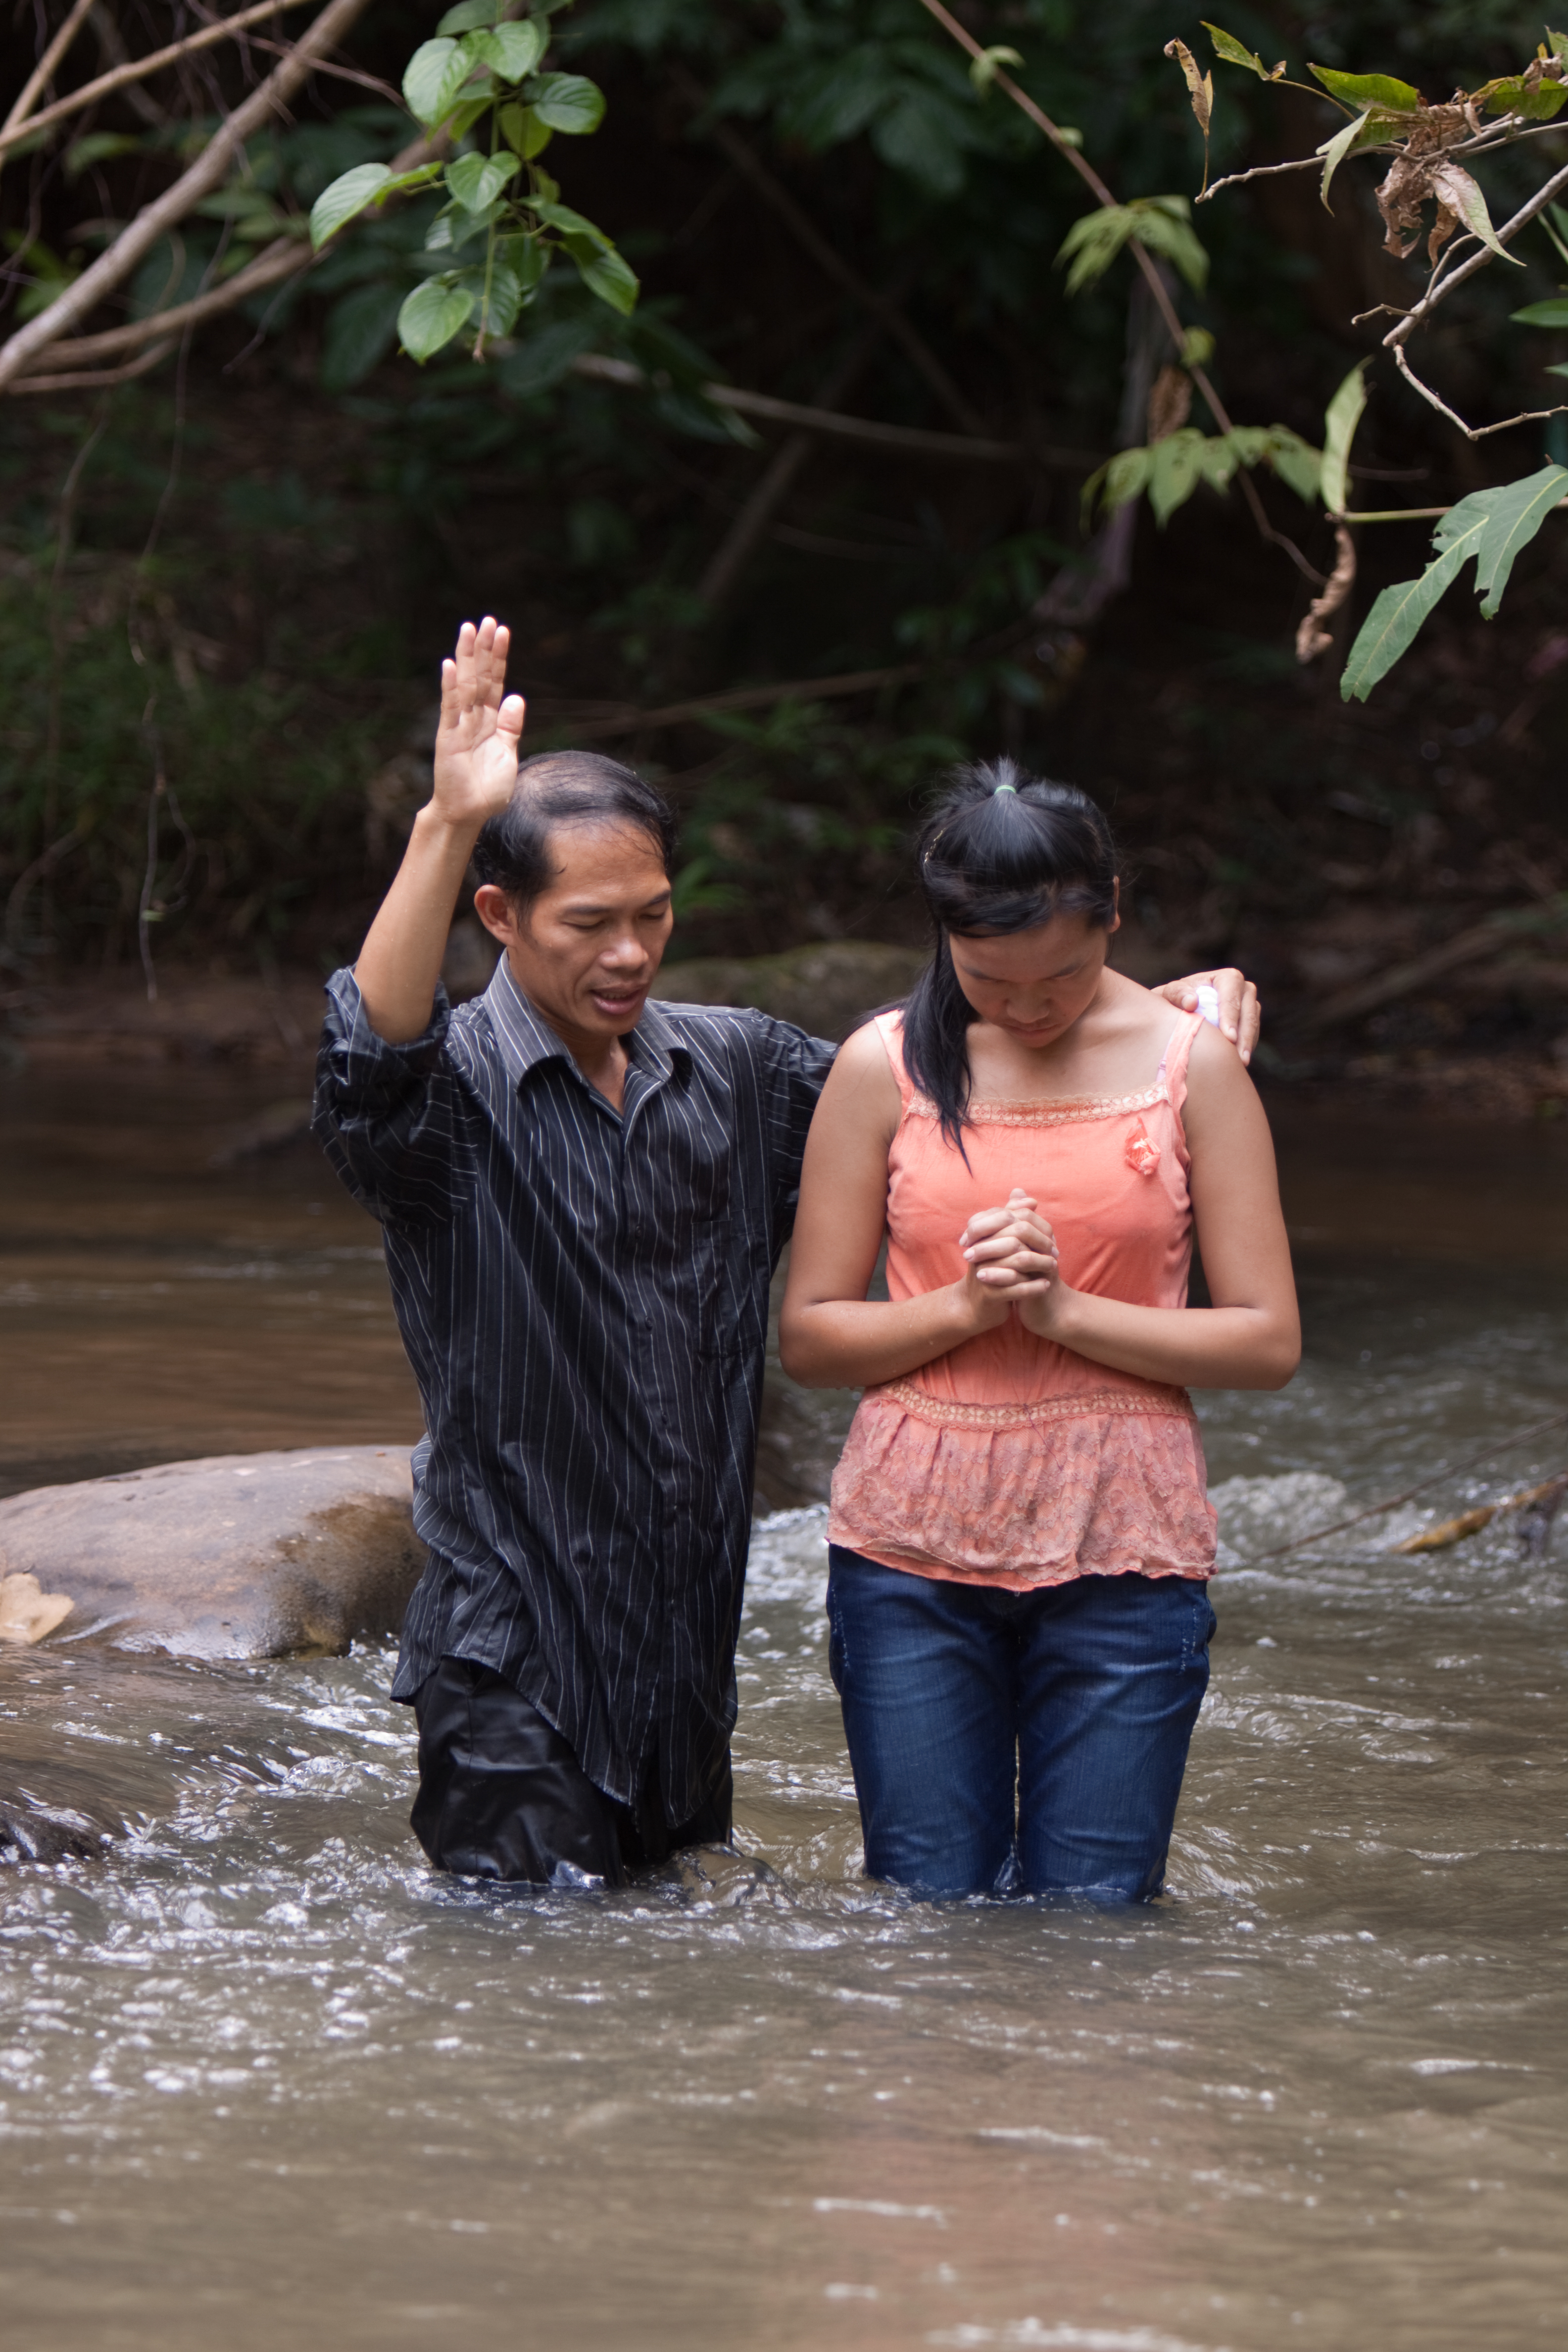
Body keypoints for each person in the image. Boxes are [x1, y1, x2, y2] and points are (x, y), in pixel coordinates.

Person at [313, 619, 1265, 1887]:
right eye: (591, 923)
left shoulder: (739, 1067)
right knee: (531, 1990)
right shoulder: (450, 1103)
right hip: (515, 1648)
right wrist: (443, 824)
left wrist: (1148, 1010)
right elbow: (368, 1068)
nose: (632, 953)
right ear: (498, 915)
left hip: (677, 1655)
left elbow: (961, 1107)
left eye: (654, 914)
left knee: (661, 1997)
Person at [779, 761, 1299, 1903]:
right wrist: (967, 1308)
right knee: (926, 1910)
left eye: (1063, 973)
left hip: (1125, 1543)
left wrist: (1062, 1313)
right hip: (909, 1550)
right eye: (987, 980)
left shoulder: (1192, 1064)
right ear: (943, 940)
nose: (1027, 1007)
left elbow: (1267, 1341)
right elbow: (811, 1339)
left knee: (1097, 1921)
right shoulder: (886, 1066)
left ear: (1114, 906)